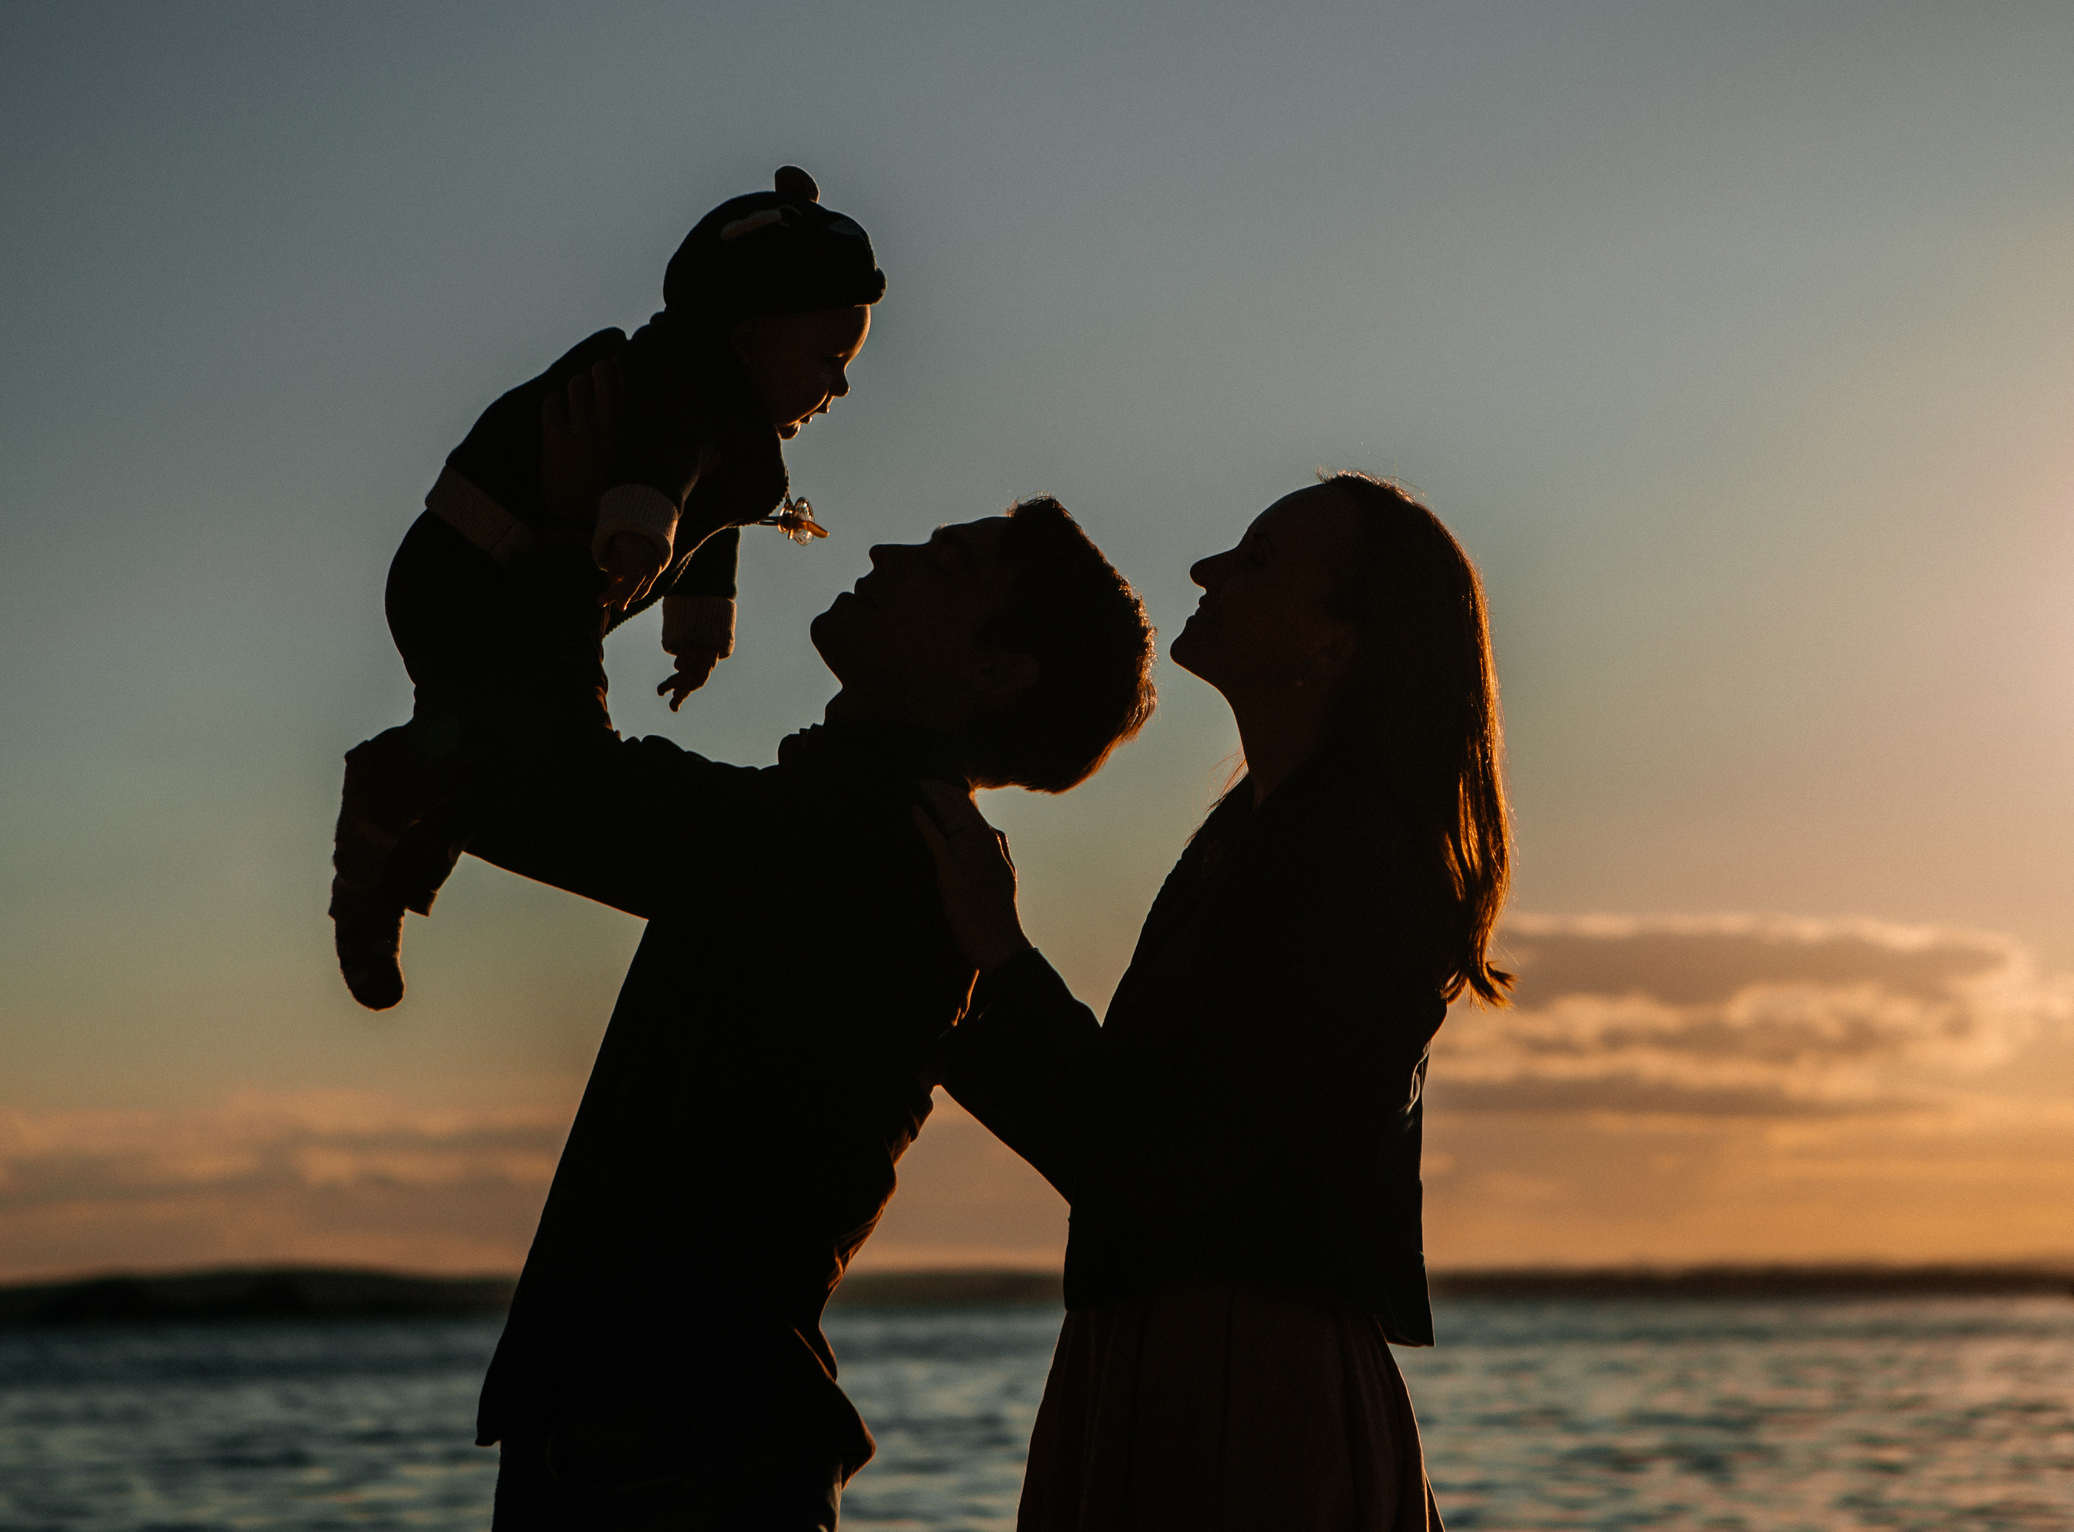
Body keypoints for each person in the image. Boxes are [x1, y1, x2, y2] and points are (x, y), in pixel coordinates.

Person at [461, 493, 1154, 1530]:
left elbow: (534, 779)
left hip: (664, 1467)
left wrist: (582, 543)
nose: (889, 547)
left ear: (996, 671)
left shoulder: (860, 840)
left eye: (945, 562)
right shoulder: (885, 837)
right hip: (686, 1455)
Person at [917, 472, 1512, 1532]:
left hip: (1240, 1380)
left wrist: (994, 960)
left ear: (1335, 643)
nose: (1206, 572)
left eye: (1257, 561)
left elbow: (1157, 1158)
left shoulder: (1343, 857)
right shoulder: (1257, 837)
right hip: (1179, 1355)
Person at [330, 164, 885, 1010]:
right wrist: (630, 522)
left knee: (487, 753)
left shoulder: (734, 435)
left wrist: (698, 620)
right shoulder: (673, 379)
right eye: (829, 358)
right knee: (524, 752)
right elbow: (664, 455)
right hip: (469, 578)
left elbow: (710, 510)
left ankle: (382, 881)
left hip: (513, 593)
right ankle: (383, 808)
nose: (840, 386)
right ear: (746, 340)